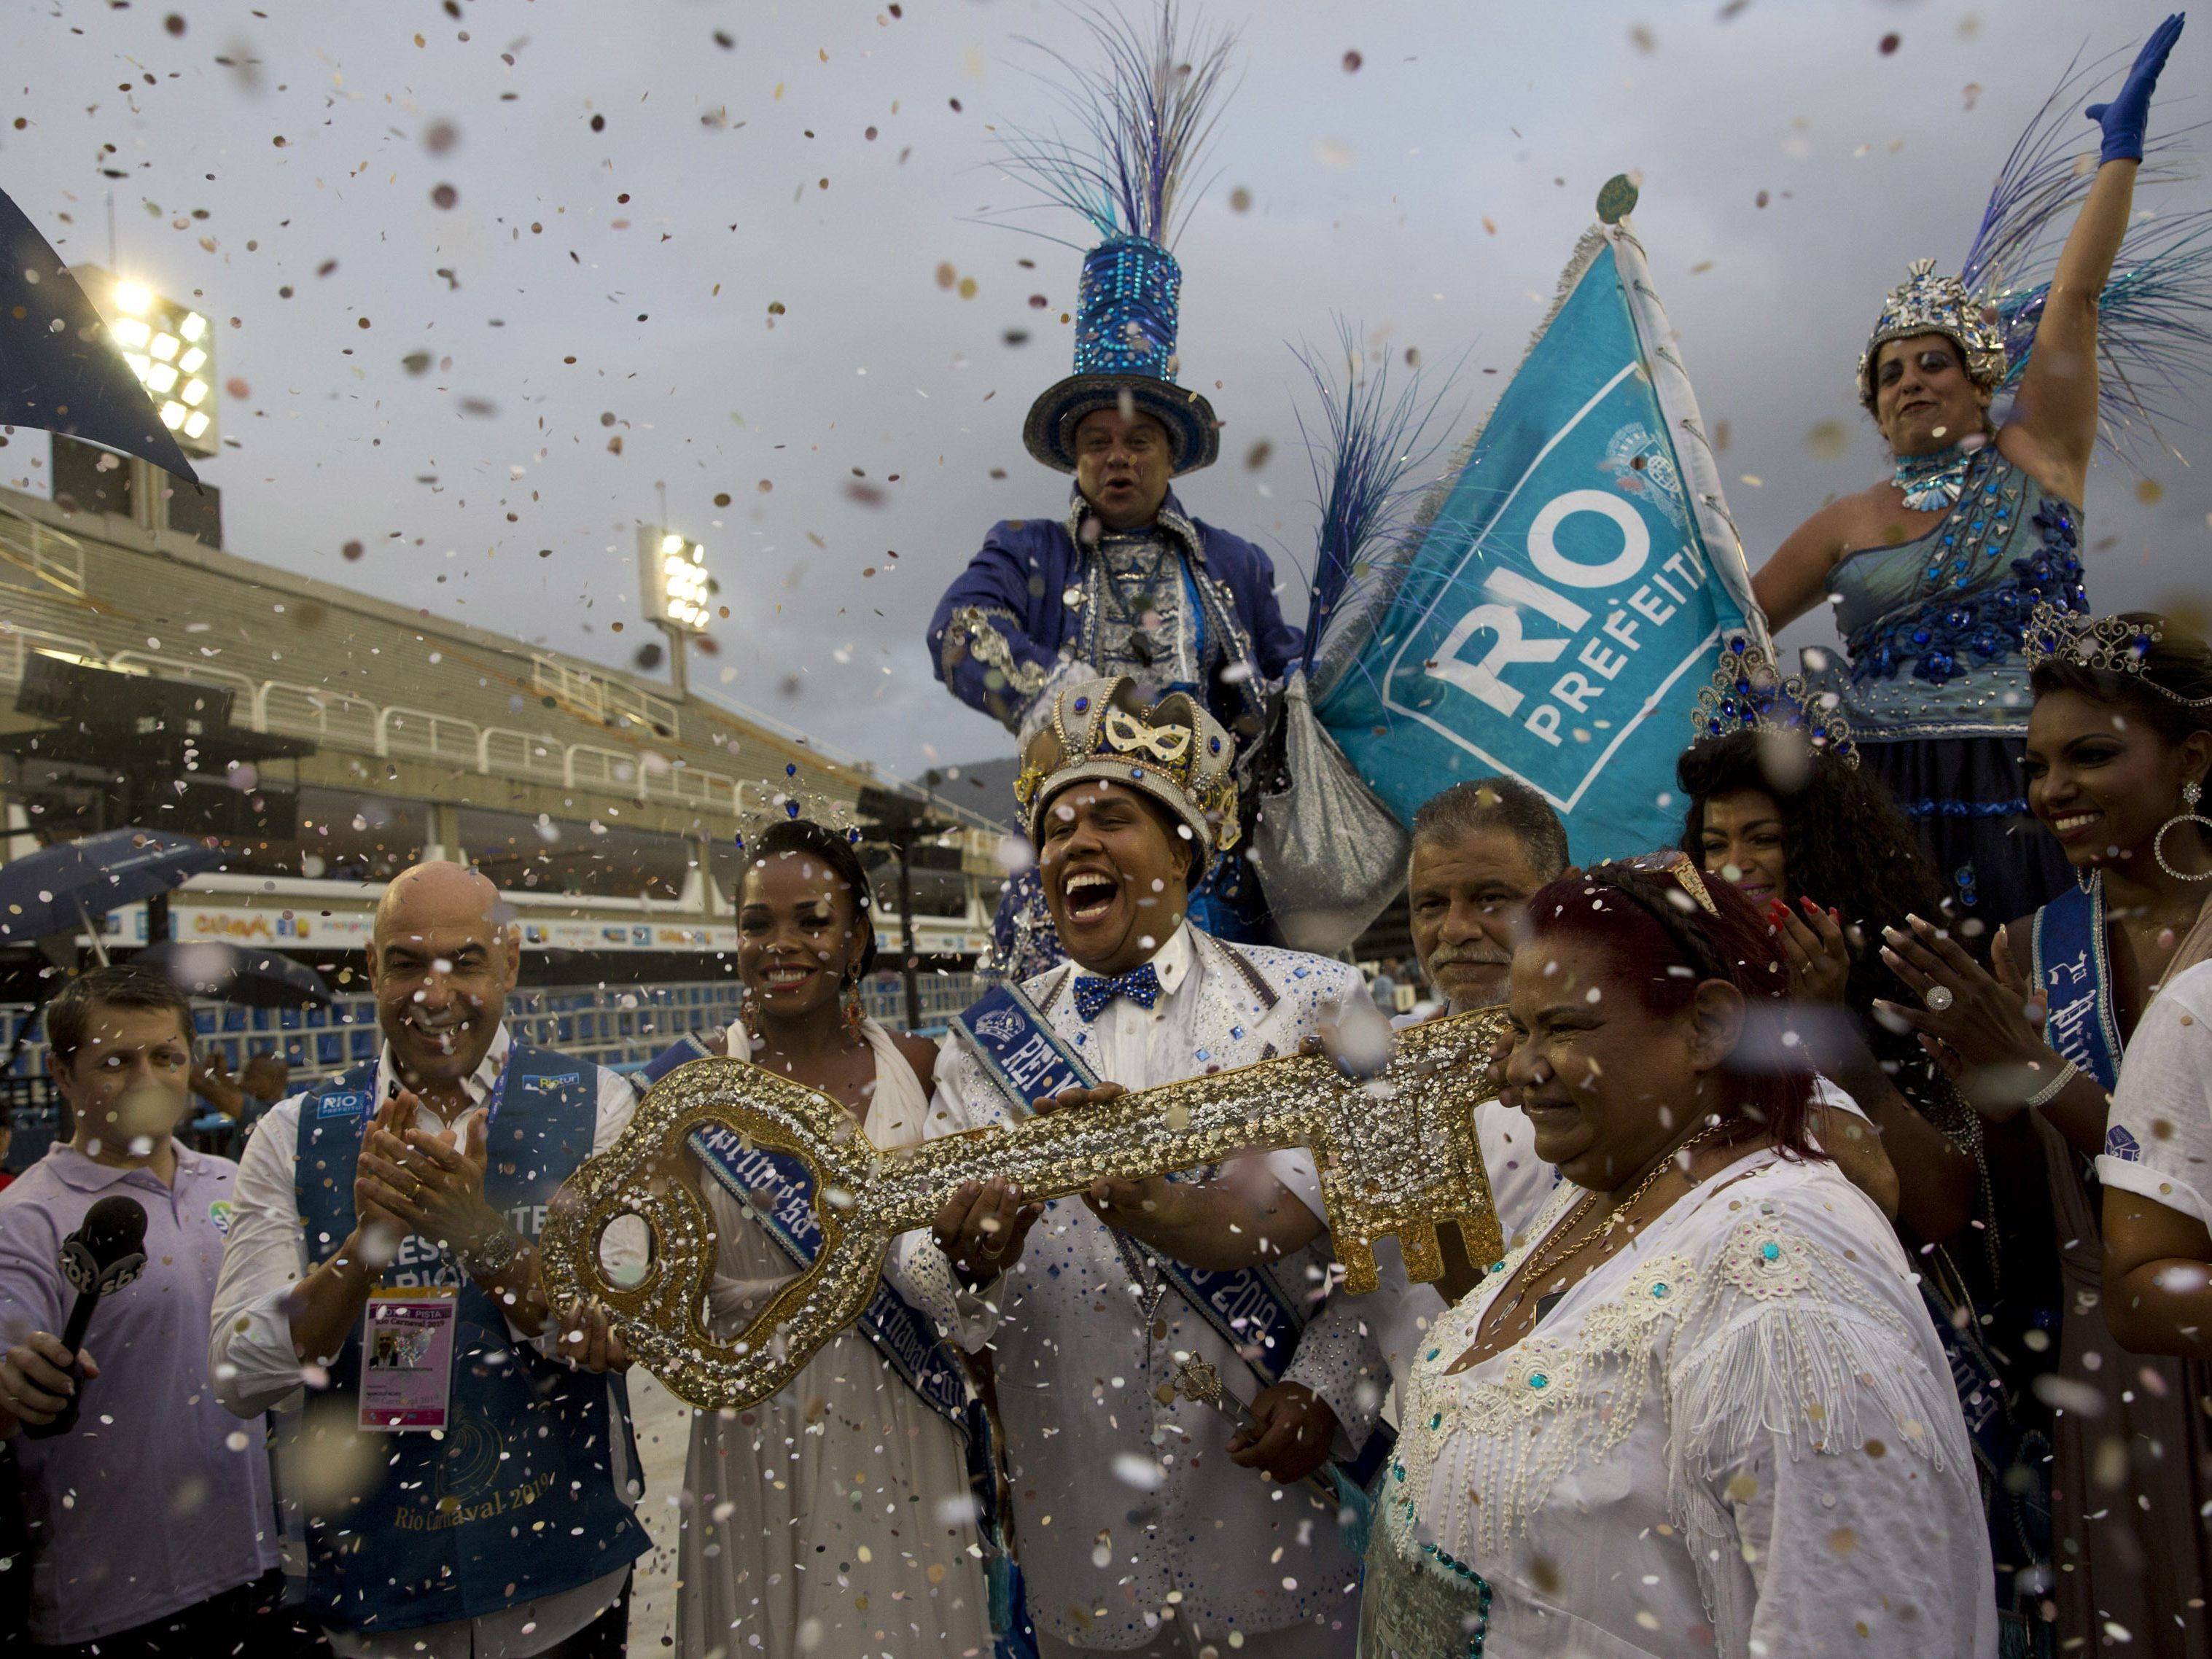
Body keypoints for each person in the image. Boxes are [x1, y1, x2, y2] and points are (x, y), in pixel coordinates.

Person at [1367, 854, 1994, 1657]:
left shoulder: (1786, 1277)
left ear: (1707, 1025)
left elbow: (1854, 1621)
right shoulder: (1602, 1186)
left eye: (1562, 1026)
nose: (1520, 1071)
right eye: (1519, 1029)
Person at [900, 676, 1380, 1657]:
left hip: (1272, 1539)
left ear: (1186, 848)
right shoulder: (981, 1047)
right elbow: (915, 1252)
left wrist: (1330, 1387)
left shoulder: (1314, 1003)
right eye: (1057, 828)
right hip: (1083, 1549)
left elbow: (1385, 1250)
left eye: (1111, 819)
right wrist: (964, 1263)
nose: (1075, 844)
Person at [1747, 17, 2186, 926]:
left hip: (2032, 774)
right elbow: (1733, 622)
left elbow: (2074, 297)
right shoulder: (1841, 521)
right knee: (1898, 1006)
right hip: (1881, 798)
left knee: (2054, 990)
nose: (1911, 380)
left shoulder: (2037, 455)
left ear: (1980, 384)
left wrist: (2120, 156)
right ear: (1872, 407)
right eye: (1890, 373)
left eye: (1932, 362)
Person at [1675, 699, 2061, 1650]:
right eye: (1714, 842)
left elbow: (1939, 1210)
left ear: (1822, 847)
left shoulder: (1909, 971)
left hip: (1906, 1350)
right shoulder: (1677, 996)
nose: (1736, 865)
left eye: (1763, 838)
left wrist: (1828, 1026)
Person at [927, 7, 1299, 972]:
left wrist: (1264, 710)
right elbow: (957, 632)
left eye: (1138, 440)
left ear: (1171, 455)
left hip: (1215, 876)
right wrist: (1079, 704)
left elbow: (1289, 693)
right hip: (1074, 869)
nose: (1118, 458)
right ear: (1075, 458)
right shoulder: (1030, 552)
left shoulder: (1233, 567)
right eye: (1097, 441)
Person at [1877, 604, 2212, 1654]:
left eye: (2091, 755)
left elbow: (2179, 1185)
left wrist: (2042, 1076)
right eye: (2035, 764)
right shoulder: (2032, 948)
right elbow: (2028, 1211)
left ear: (2192, 759)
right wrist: (1991, 1095)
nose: (2051, 789)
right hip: (2105, 1359)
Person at [208, 862, 647, 1659]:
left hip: (562, 1588)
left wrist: (476, 1234)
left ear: (509, 964)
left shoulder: (595, 1104)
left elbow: (611, 1326)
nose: (433, 992)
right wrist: (365, 1248)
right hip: (373, 1599)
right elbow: (242, 1373)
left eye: (465, 961)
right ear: (371, 968)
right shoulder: (293, 1129)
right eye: (407, 962)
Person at [669, 817, 1000, 1659]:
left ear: (856, 937)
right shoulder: (686, 1088)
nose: (780, 943)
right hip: (754, 1430)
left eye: (812, 921)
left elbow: (981, 1275)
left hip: (902, 1412)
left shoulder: (924, 1068)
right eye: (756, 923)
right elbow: (655, 1279)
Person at [0, 966, 297, 1657]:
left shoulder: (235, 1184)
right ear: (63, 1074)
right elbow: (10, 1369)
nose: (147, 1079)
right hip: (113, 1601)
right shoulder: (25, 1219)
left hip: (258, 1573)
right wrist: (19, 1378)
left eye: (166, 1057)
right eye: (115, 1061)